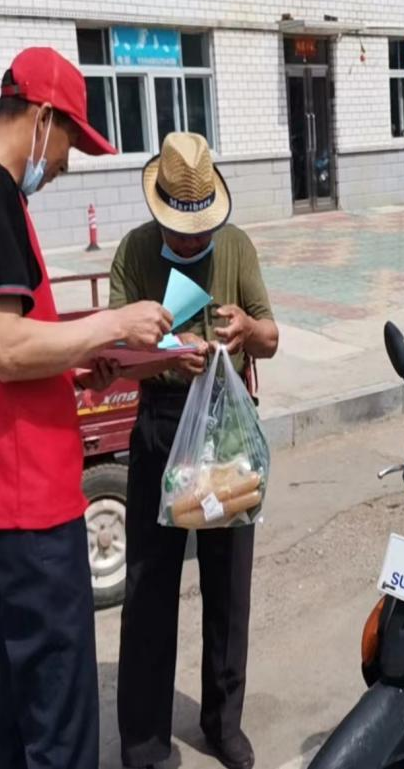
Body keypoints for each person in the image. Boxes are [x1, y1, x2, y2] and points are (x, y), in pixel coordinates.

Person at [0, 47, 173, 769]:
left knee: (20, 696)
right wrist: (116, 324)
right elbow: (5, 347)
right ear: (40, 118)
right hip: (22, 492)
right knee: (60, 718)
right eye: (69, 141)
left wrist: (74, 364)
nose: (64, 162)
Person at [111, 132, 278, 769]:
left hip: (227, 429)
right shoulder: (132, 252)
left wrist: (247, 330)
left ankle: (222, 721)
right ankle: (145, 743)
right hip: (161, 426)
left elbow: (270, 334)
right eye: (178, 232)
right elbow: (118, 357)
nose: (190, 242)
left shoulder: (234, 246)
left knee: (228, 585)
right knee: (150, 588)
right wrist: (165, 351)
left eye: (198, 230)